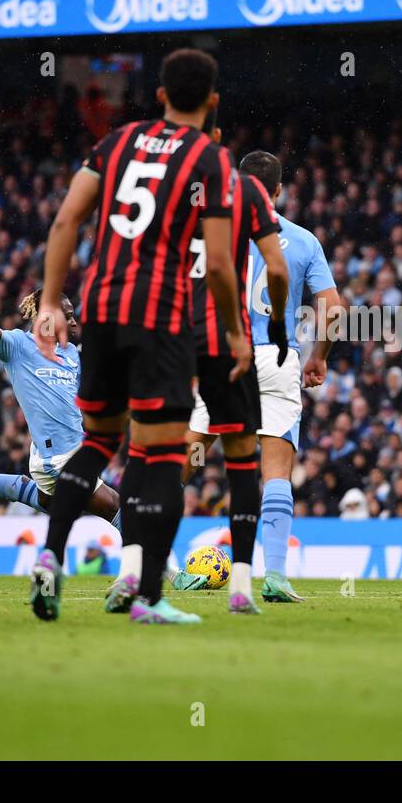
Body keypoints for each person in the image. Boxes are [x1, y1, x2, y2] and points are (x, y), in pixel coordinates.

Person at [30, 47, 249, 625]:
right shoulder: (212, 159)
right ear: (212, 100)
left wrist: (52, 300)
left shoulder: (117, 142)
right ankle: (149, 595)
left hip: (100, 308)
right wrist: (234, 333)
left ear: (158, 97)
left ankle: (50, 554)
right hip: (161, 317)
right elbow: (222, 266)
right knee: (161, 454)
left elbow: (64, 221)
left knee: (99, 443)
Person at [0, 283, 207, 591]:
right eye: (68, 316)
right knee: (119, 507)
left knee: (51, 503)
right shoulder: (19, 345)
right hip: (58, 459)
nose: (74, 323)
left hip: (63, 454)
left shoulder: (72, 354)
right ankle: (169, 574)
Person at [135, 142, 289, 615]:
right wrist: (274, 325)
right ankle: (243, 584)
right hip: (228, 346)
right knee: (245, 463)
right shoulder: (256, 209)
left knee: (168, 457)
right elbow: (271, 272)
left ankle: (137, 570)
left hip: (172, 340)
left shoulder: (170, 197)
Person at [180, 149, 340, 604]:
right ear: (278, 191)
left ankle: (146, 553)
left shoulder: (213, 232)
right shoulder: (303, 240)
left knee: (189, 456)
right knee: (275, 472)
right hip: (278, 356)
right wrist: (318, 357)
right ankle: (274, 577)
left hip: (223, 353)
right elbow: (333, 308)